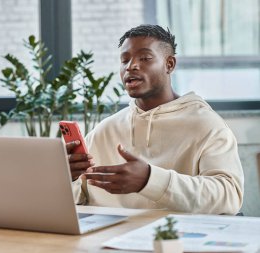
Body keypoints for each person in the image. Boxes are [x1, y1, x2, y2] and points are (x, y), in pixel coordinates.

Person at [66, 24, 244, 215]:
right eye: (124, 60)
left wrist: (150, 180)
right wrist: (69, 178)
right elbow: (80, 198)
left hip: (173, 239)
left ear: (170, 64)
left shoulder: (206, 125)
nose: (131, 66)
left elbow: (229, 196)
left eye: (145, 58)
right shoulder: (106, 129)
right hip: (105, 238)